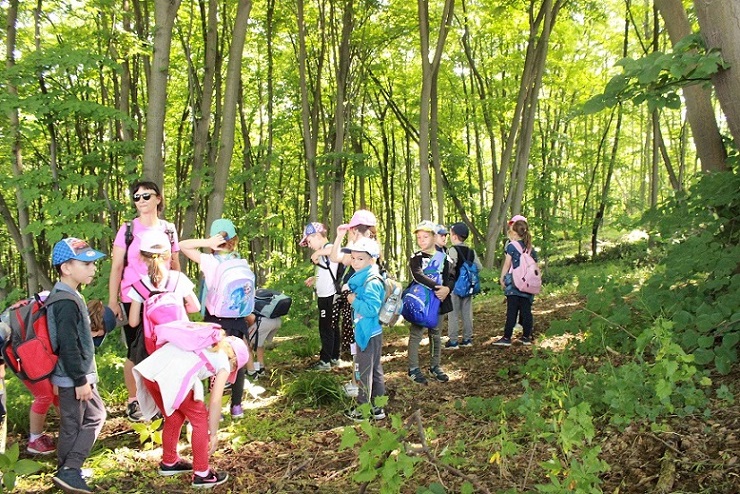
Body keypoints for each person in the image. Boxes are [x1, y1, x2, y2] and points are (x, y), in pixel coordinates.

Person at [133, 332, 250, 489]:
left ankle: (169, 461)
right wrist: (213, 433)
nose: (232, 369)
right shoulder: (224, 361)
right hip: (172, 377)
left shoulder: (206, 343)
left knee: (174, 416)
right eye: (235, 367)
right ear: (234, 360)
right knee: (200, 419)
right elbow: (215, 401)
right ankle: (202, 473)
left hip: (151, 373)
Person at [108, 179, 180, 422]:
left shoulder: (168, 229)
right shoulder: (128, 229)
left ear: (158, 198)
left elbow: (175, 264)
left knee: (164, 348)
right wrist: (113, 301)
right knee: (135, 350)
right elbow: (117, 267)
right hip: (133, 298)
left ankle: (161, 399)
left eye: (146, 196)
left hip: (162, 299)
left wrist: (179, 293)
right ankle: (134, 401)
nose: (141, 201)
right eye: (136, 197)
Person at [47, 238, 107, 493]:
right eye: (86, 264)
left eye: (92, 263)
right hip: (73, 377)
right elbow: (68, 346)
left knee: (87, 418)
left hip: (76, 375)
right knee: (82, 421)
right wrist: (81, 380)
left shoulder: (70, 296)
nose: (93, 268)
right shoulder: (65, 301)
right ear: (66, 268)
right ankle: (69, 470)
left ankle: (68, 470)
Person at [179, 218, 255, 418]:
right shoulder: (240, 261)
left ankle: (216, 409)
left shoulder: (210, 261)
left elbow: (182, 245)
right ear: (234, 240)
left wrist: (206, 243)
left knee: (214, 361)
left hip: (215, 319)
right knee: (237, 359)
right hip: (237, 319)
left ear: (214, 239)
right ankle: (236, 406)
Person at [328, 210, 379, 397]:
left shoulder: (364, 250)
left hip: (358, 303)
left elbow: (335, 257)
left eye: (351, 230)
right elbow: (336, 257)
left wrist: (341, 237)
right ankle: (357, 382)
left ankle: (358, 384)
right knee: (357, 343)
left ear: (355, 230)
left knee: (359, 343)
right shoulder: (362, 248)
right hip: (355, 302)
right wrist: (340, 237)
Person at [340, 238, 387, 421]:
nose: (355, 262)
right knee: (374, 369)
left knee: (363, 371)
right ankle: (377, 407)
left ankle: (363, 409)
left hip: (368, 332)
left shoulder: (372, 281)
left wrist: (353, 300)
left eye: (360, 259)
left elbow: (371, 309)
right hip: (368, 330)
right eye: (353, 258)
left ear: (371, 260)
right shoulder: (362, 278)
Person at [407, 221, 454, 385]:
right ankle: (413, 368)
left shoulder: (444, 258)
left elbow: (451, 276)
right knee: (416, 335)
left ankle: (435, 366)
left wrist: (447, 289)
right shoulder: (416, 258)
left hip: (439, 302)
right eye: (419, 237)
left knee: (435, 334)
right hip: (421, 303)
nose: (421, 240)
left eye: (425, 237)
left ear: (434, 237)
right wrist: (437, 287)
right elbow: (418, 275)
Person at [125, 230, 200, 330]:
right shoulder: (179, 279)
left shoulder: (139, 286)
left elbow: (133, 322)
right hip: (180, 335)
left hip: (155, 337)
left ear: (142, 257)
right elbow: (196, 307)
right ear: (169, 255)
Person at [300, 222, 341, 371]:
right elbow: (328, 271)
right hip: (325, 295)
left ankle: (325, 361)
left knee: (326, 328)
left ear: (317, 236)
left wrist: (318, 253)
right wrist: (315, 278)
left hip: (330, 296)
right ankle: (334, 357)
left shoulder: (329, 248)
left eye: (309, 241)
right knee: (332, 326)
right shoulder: (324, 252)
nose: (310, 246)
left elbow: (335, 251)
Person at [493, 216, 538, 346]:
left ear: (514, 233)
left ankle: (507, 338)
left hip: (514, 283)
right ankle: (526, 337)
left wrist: (502, 278)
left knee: (512, 311)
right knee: (526, 311)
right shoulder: (530, 248)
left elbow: (507, 264)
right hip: (527, 284)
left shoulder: (512, 246)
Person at [445, 222, 484, 349]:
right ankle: (467, 339)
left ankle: (453, 341)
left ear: (455, 236)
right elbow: (479, 267)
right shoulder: (471, 251)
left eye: (450, 234)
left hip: (455, 286)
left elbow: (451, 266)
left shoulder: (453, 250)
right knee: (467, 313)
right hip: (468, 286)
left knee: (453, 313)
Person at [245, 313, 281, 378]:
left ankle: (251, 372)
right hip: (276, 320)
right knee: (259, 343)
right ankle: (260, 369)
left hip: (263, 322)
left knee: (246, 343)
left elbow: (251, 318)